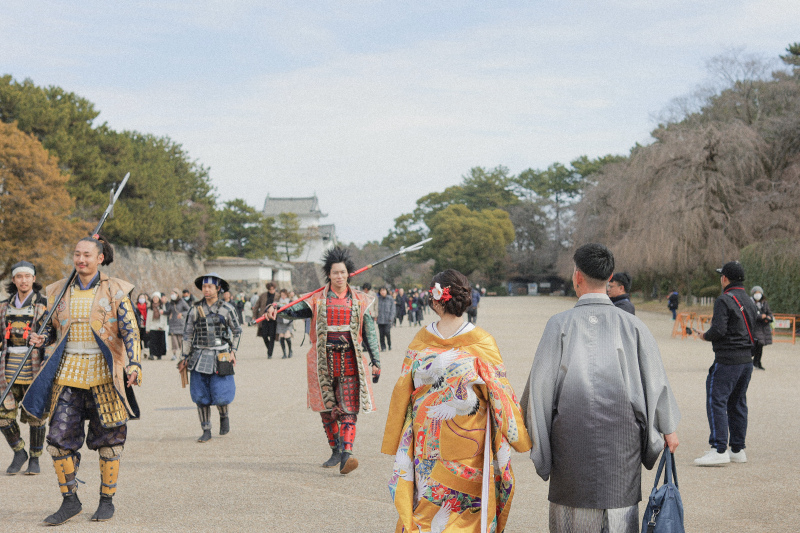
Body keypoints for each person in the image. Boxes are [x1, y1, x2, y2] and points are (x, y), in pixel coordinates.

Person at [521, 243, 680, 533]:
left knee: (571, 518)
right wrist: (667, 428)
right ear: (609, 279)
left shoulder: (558, 325)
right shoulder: (633, 326)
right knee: (621, 516)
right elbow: (656, 382)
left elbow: (539, 389)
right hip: (622, 442)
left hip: (571, 441)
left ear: (577, 276)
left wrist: (536, 443)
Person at [382, 269, 532, 532]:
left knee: (427, 512)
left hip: (427, 443)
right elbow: (500, 393)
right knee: (466, 516)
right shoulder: (482, 341)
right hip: (468, 445)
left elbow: (402, 392)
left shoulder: (420, 342)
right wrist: (516, 433)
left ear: (436, 299)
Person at [25, 235, 142, 524]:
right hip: (68, 373)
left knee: (110, 440)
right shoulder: (58, 292)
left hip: (105, 373)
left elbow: (130, 330)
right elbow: (52, 332)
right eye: (77, 254)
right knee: (59, 440)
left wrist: (135, 363)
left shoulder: (115, 290)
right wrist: (42, 339)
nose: (81, 259)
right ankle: (70, 500)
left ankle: (106, 500)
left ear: (100, 258)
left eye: (87, 255)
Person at [266, 247, 380, 475]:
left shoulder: (360, 300)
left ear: (349, 274)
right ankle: (336, 450)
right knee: (326, 409)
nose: (339, 276)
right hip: (322, 361)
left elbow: (370, 332)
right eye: (335, 272)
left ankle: (347, 454)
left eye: (343, 272)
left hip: (350, 358)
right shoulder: (316, 299)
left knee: (349, 407)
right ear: (329, 274)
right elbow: (293, 310)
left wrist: (376, 360)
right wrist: (276, 309)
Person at [694, 261, 757, 466]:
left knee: (716, 400)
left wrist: (705, 335)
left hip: (727, 360)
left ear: (725, 278)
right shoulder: (748, 300)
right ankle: (737, 449)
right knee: (738, 403)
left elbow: (719, 330)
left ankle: (719, 448)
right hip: (746, 360)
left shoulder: (723, 300)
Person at [179, 273, 241, 443]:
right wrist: (184, 357)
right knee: (200, 396)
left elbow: (237, 331)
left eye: (210, 287)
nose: (206, 289)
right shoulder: (194, 309)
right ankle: (206, 429)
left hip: (221, 356)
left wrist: (233, 351)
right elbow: (187, 334)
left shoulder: (227, 309)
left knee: (221, 394)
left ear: (218, 288)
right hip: (198, 356)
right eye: (204, 287)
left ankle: (224, 415)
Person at [0, 261, 48, 475]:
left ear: (34, 279)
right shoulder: (3, 306)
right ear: (13, 280)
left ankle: (35, 458)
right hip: (8, 367)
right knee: (2, 414)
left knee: (36, 415)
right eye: (19, 276)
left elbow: (52, 333)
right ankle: (19, 451)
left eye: (27, 276)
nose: (23, 280)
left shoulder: (44, 304)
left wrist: (42, 340)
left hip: (33, 367)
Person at [750, 285, 773, 370]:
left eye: (759, 293)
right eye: (756, 293)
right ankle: (753, 362)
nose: (758, 294)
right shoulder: (750, 302)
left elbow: (769, 312)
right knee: (756, 344)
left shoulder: (764, 303)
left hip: (763, 327)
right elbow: (751, 314)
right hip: (755, 327)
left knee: (760, 345)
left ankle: (757, 362)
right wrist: (760, 316)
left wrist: (769, 317)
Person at [165, 288, 190, 361]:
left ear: (177, 294)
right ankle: (174, 354)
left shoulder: (182, 302)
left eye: (173, 293)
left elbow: (188, 310)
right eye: (171, 294)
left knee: (181, 340)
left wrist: (182, 314)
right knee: (173, 340)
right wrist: (162, 312)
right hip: (173, 323)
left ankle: (182, 354)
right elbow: (168, 311)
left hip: (181, 323)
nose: (172, 295)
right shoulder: (171, 303)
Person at [254, 282, 278, 359]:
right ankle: (269, 349)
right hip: (264, 318)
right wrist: (254, 316)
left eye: (273, 289)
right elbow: (257, 306)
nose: (272, 291)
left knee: (272, 336)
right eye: (270, 289)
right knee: (264, 335)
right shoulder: (263, 295)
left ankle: (269, 353)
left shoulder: (277, 296)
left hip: (274, 319)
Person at [146, 292, 168, 360]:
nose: (155, 299)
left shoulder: (162, 306)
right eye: (154, 298)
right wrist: (147, 328)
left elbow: (164, 317)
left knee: (160, 341)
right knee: (152, 341)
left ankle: (159, 354)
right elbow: (148, 318)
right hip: (152, 325)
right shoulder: (150, 307)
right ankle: (151, 354)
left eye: (157, 298)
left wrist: (161, 326)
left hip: (160, 325)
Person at [375, 287, 396, 351]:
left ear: (386, 291)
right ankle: (383, 347)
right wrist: (375, 316)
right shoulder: (378, 299)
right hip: (380, 319)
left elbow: (393, 309)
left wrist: (391, 318)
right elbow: (375, 308)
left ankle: (389, 344)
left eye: (384, 290)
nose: (382, 292)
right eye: (381, 291)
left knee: (387, 332)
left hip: (388, 319)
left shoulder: (390, 299)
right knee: (381, 334)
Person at [275, 289, 294, 359]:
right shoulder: (278, 302)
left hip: (288, 321)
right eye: (282, 295)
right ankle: (284, 353)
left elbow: (293, 310)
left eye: (284, 295)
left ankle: (290, 351)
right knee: (281, 337)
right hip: (281, 321)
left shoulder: (290, 301)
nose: (283, 296)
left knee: (287, 336)